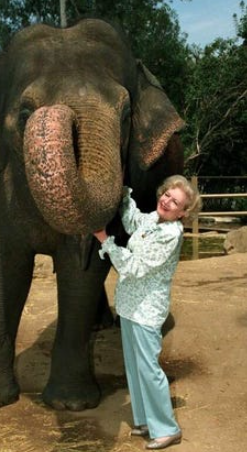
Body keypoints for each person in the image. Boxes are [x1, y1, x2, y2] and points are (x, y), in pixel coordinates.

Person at [94, 175, 202, 450]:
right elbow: (134, 222)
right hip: (130, 306)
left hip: (146, 311)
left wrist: (105, 240)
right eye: (166, 194)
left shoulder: (170, 234)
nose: (166, 201)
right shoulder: (155, 220)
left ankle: (167, 429)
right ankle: (146, 421)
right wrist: (123, 192)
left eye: (174, 201)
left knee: (149, 369)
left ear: (183, 212)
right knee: (135, 367)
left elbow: (135, 267)